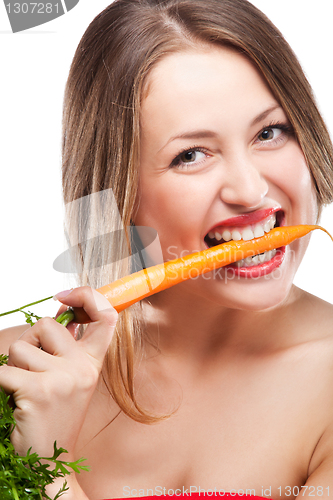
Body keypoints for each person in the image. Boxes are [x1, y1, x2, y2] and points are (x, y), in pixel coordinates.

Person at [1, 0, 333, 499]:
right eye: (191, 155)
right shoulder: (19, 370)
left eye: (270, 132)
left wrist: (44, 472)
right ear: (118, 192)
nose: (249, 190)